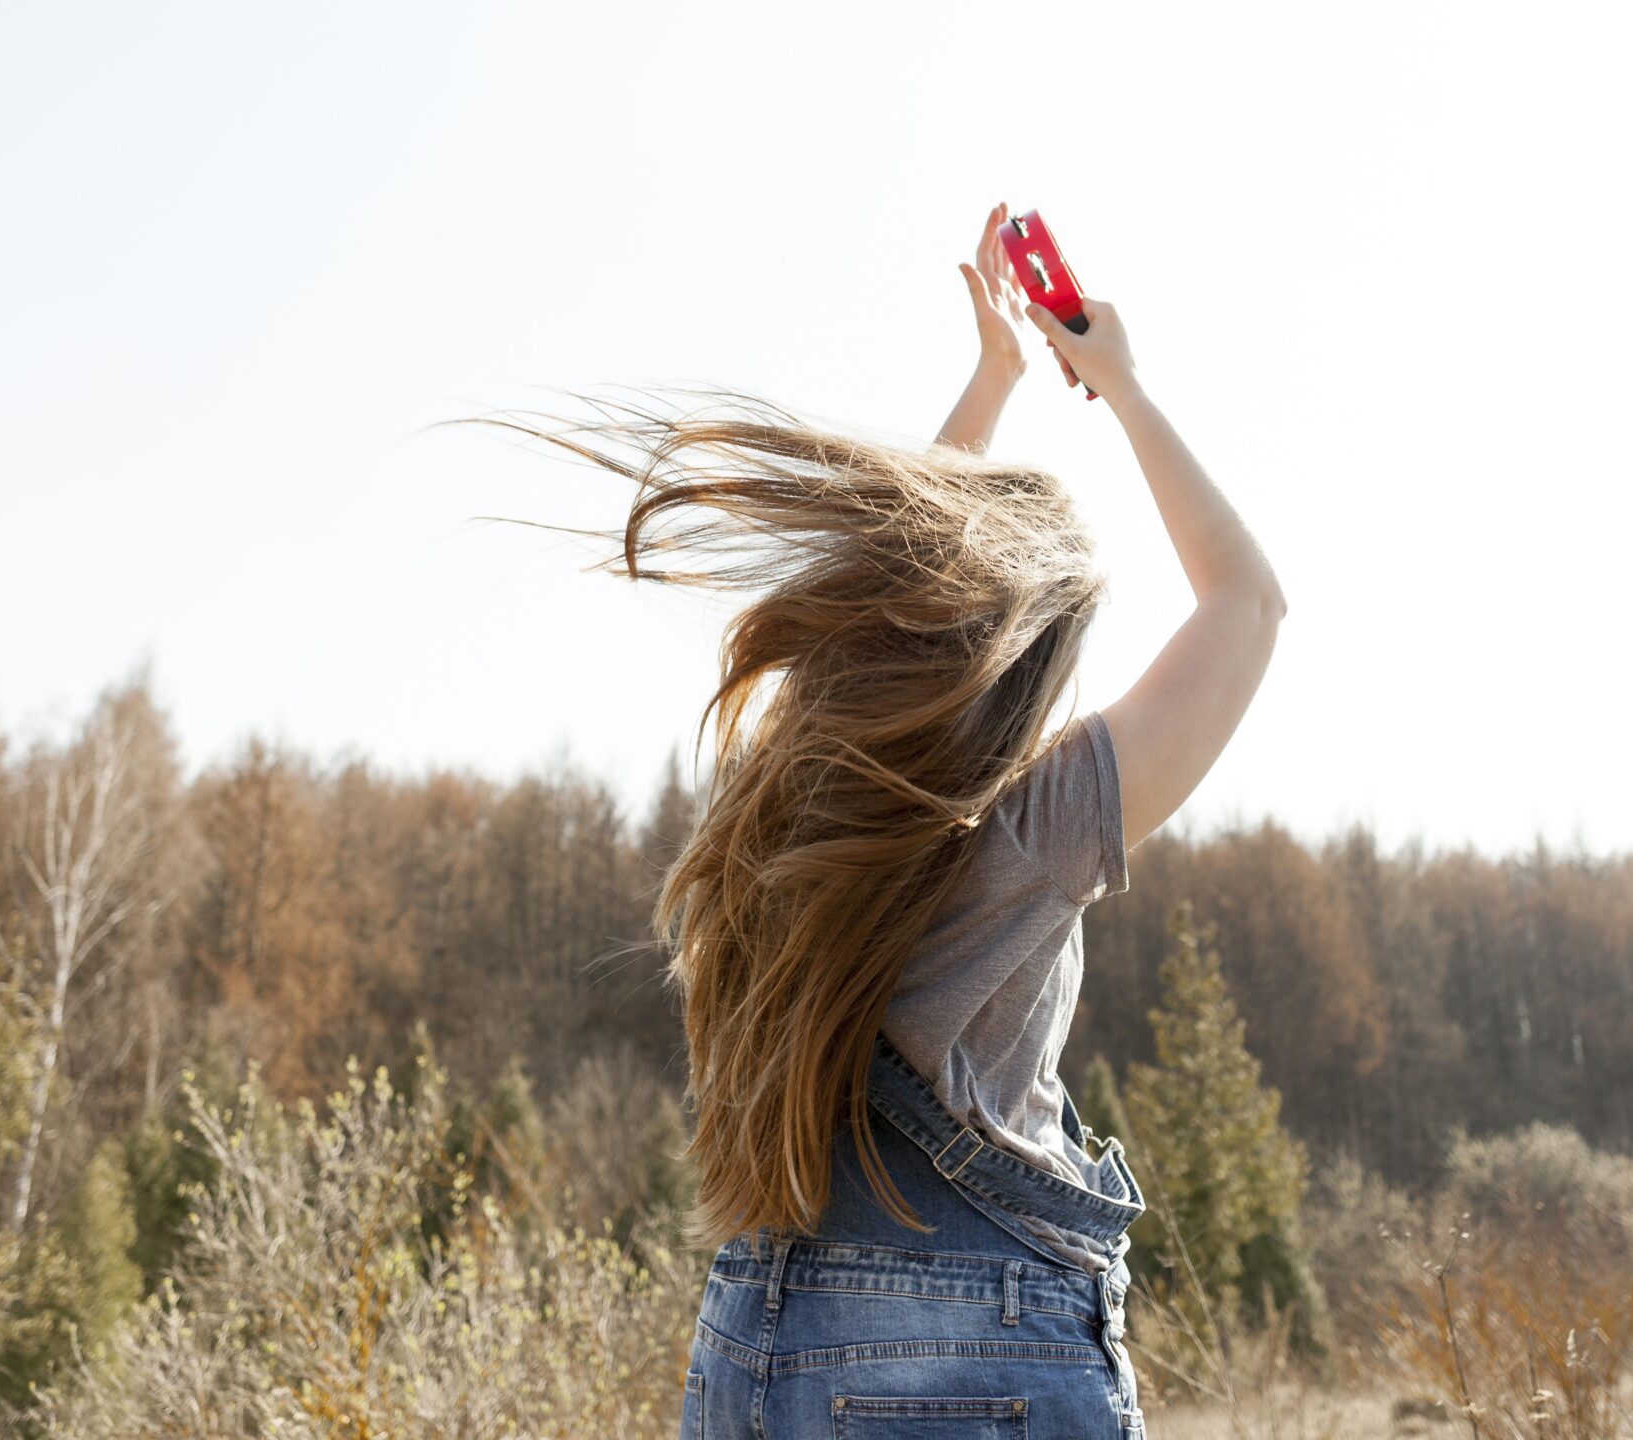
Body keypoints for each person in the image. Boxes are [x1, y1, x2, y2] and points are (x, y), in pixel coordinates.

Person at [503, 204, 1284, 1438]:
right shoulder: (1036, 823)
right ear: (1027, 657)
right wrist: (1121, 386)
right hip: (981, 1340)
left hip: (754, 1333)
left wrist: (992, 382)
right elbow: (1246, 606)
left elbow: (892, 608)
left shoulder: (783, 808)